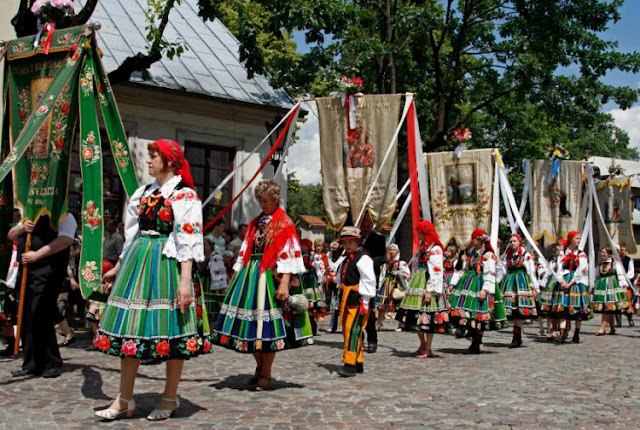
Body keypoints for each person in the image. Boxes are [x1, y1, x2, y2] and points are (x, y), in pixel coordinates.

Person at [93, 139, 210, 421]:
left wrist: (185, 281)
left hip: (167, 266)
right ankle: (125, 399)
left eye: (154, 156)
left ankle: (170, 398)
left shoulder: (185, 196)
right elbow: (132, 234)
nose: (148, 161)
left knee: (172, 328)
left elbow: (188, 240)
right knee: (130, 330)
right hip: (138, 262)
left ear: (169, 161)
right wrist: (119, 266)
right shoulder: (143, 193)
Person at [211, 179, 312, 391]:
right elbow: (246, 248)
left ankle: (266, 373)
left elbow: (289, 255)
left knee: (267, 328)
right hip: (251, 275)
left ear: (276, 199)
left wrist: (284, 283)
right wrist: (238, 275)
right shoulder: (257, 222)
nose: (262, 204)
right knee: (249, 327)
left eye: (265, 201)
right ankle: (259, 367)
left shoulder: (285, 223)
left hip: (269, 276)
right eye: (260, 200)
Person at [8, 212, 76, 378]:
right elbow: (11, 235)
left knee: (41, 312)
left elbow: (65, 240)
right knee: (26, 316)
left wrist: (36, 255)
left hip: (48, 270)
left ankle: (51, 361)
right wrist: (23, 228)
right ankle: (31, 362)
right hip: (27, 271)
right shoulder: (31, 213)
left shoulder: (64, 215)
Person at [448, 229, 508, 354]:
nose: (472, 240)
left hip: (480, 285)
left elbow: (490, 273)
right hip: (469, 284)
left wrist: (485, 290)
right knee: (470, 314)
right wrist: (453, 283)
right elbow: (464, 268)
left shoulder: (488, 255)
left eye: (474, 238)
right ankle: (474, 339)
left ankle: (476, 341)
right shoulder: (475, 253)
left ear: (480, 239)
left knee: (480, 315)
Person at [396, 221, 449, 358]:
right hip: (418, 283)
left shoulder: (435, 249)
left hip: (428, 283)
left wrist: (430, 291)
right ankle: (422, 344)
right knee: (415, 315)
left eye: (419, 231)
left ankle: (428, 347)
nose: (417, 233)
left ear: (424, 232)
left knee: (428, 317)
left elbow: (437, 271)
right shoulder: (422, 247)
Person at [335, 226, 376, 377]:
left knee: (352, 331)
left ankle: (350, 364)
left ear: (358, 242)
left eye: (350, 242)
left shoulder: (363, 258)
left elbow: (369, 280)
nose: (347, 246)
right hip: (347, 300)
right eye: (345, 243)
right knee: (349, 331)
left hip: (358, 300)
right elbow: (342, 276)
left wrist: (365, 303)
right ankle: (358, 361)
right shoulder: (346, 258)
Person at [550, 231, 593, 344]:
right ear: (571, 240)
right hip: (564, 280)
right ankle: (563, 333)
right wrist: (562, 281)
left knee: (577, 311)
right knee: (563, 308)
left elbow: (581, 271)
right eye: (576, 238)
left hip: (576, 283)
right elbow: (559, 269)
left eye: (579, 238)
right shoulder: (563, 253)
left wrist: (571, 283)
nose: (578, 240)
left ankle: (576, 333)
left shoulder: (581, 254)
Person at [499, 234, 539, 348]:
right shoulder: (508, 256)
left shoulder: (526, 255)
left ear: (519, 242)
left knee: (518, 311)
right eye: (511, 241)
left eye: (514, 241)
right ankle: (517, 337)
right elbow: (504, 270)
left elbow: (531, 273)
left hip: (521, 284)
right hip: (510, 283)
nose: (512, 243)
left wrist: (535, 287)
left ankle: (516, 337)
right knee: (513, 311)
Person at [359, 212, 385, 353]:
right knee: (357, 310)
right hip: (355, 278)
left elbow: (382, 258)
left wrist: (367, 263)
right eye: (364, 224)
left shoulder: (378, 239)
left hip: (370, 279)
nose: (366, 226)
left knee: (368, 310)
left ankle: (372, 340)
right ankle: (358, 339)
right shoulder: (356, 238)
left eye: (369, 224)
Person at [592, 247, 629, 335]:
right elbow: (597, 276)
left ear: (609, 254)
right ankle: (612, 329)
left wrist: (623, 286)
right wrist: (593, 286)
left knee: (608, 308)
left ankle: (602, 328)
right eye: (601, 252)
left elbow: (620, 275)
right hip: (601, 287)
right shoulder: (600, 264)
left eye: (604, 252)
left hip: (612, 287)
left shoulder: (615, 264)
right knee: (607, 308)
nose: (602, 254)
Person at [377, 244, 410, 330]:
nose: (391, 252)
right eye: (390, 250)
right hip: (386, 284)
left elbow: (407, 274)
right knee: (382, 304)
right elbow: (382, 274)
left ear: (397, 251)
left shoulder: (401, 263)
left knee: (399, 305)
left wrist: (398, 273)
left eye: (393, 250)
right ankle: (379, 323)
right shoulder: (386, 263)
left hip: (397, 284)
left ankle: (400, 324)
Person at [301, 238, 325, 335]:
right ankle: (309, 326)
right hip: (304, 279)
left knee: (312, 305)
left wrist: (320, 278)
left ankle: (313, 326)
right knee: (307, 305)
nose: (302, 247)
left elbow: (318, 267)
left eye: (304, 245)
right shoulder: (302, 256)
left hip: (311, 280)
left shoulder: (313, 256)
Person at [325, 241, 343, 333]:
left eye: (335, 244)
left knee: (338, 304)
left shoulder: (343, 257)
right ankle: (332, 325)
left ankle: (338, 324)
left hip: (340, 282)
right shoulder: (328, 256)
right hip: (330, 282)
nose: (333, 247)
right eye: (331, 244)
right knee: (333, 303)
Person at [616, 243, 635, 327]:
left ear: (626, 251)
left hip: (626, 284)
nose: (622, 252)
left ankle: (630, 320)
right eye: (621, 250)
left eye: (624, 250)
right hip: (617, 283)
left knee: (627, 303)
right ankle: (618, 321)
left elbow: (631, 272)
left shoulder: (629, 260)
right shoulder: (616, 260)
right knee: (617, 303)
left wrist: (625, 279)